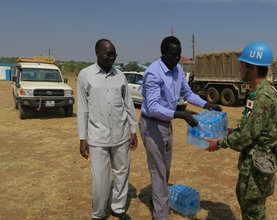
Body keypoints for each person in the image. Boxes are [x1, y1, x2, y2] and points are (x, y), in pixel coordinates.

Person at [139, 36, 222, 220]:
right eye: (173, 55)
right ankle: (160, 215)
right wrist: (180, 115)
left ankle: (158, 201)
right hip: (151, 124)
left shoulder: (177, 68)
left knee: (165, 168)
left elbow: (188, 93)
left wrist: (207, 105)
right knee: (158, 170)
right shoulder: (153, 73)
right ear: (163, 53)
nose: (177, 59)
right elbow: (152, 107)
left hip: (166, 123)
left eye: (179, 55)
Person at [205, 42, 277, 220]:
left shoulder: (262, 97)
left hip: (257, 165)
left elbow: (246, 137)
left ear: (252, 68)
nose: (240, 69)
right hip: (257, 161)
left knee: (253, 210)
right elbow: (254, 129)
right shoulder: (265, 91)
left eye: (242, 65)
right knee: (249, 204)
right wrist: (234, 130)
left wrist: (218, 143)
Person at [77, 39, 138, 220]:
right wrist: (82, 138)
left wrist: (133, 130)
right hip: (97, 137)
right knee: (101, 180)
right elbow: (82, 109)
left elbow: (128, 104)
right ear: (97, 53)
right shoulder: (85, 75)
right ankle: (99, 213)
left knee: (122, 173)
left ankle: (118, 208)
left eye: (114, 54)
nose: (112, 57)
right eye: (108, 54)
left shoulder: (120, 76)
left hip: (121, 134)